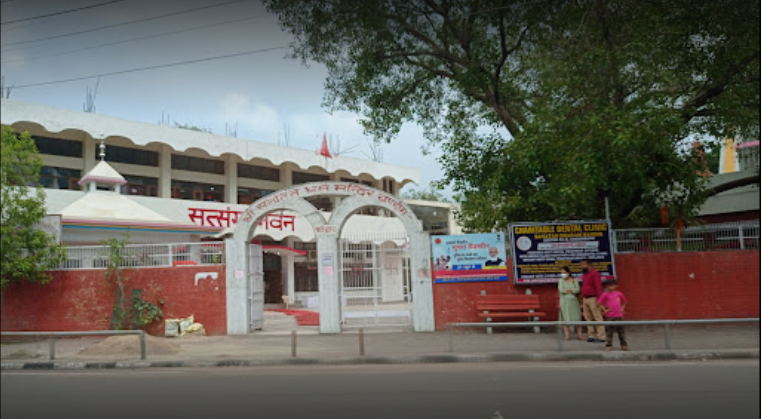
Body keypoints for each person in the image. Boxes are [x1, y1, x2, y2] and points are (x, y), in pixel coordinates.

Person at [598, 278, 628, 351]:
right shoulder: (605, 294)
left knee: (621, 332)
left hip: (619, 315)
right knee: (609, 332)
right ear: (606, 287)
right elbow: (599, 303)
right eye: (609, 286)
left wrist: (622, 309)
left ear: (615, 286)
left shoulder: (619, 294)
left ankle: (623, 344)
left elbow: (624, 301)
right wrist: (604, 310)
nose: (611, 287)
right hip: (610, 316)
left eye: (612, 286)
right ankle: (608, 345)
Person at [579, 259, 606, 342]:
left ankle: (601, 336)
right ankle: (591, 335)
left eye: (583, 264)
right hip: (585, 298)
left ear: (589, 265)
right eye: (581, 264)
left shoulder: (595, 274)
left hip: (593, 298)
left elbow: (598, 287)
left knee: (597, 317)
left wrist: (599, 300)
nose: (581, 266)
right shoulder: (584, 274)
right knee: (588, 318)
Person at [557, 266, 585, 340]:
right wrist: (570, 290)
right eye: (562, 273)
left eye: (564, 272)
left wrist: (570, 290)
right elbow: (561, 290)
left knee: (577, 318)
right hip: (564, 302)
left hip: (574, 302)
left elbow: (577, 289)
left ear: (569, 273)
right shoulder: (561, 281)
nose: (563, 274)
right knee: (566, 318)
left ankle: (579, 335)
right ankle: (567, 335)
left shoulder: (574, 280)